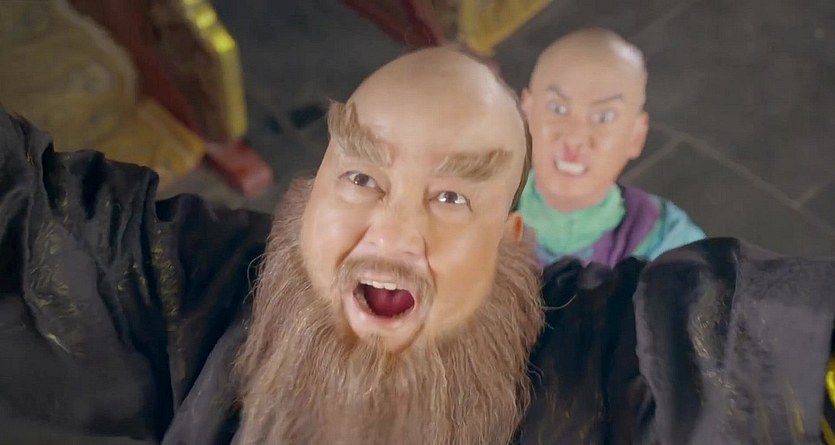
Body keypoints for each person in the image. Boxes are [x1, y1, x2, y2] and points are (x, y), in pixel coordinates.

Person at [0, 47, 833, 445]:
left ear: (511, 241)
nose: (394, 235)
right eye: (362, 177)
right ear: (309, 194)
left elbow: (750, 345)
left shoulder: (602, 368)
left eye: (450, 197)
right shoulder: (188, 283)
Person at [517, 28, 706, 268]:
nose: (575, 138)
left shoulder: (669, 243)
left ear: (636, 135)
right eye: (558, 109)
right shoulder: (482, 208)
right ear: (525, 114)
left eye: (604, 117)